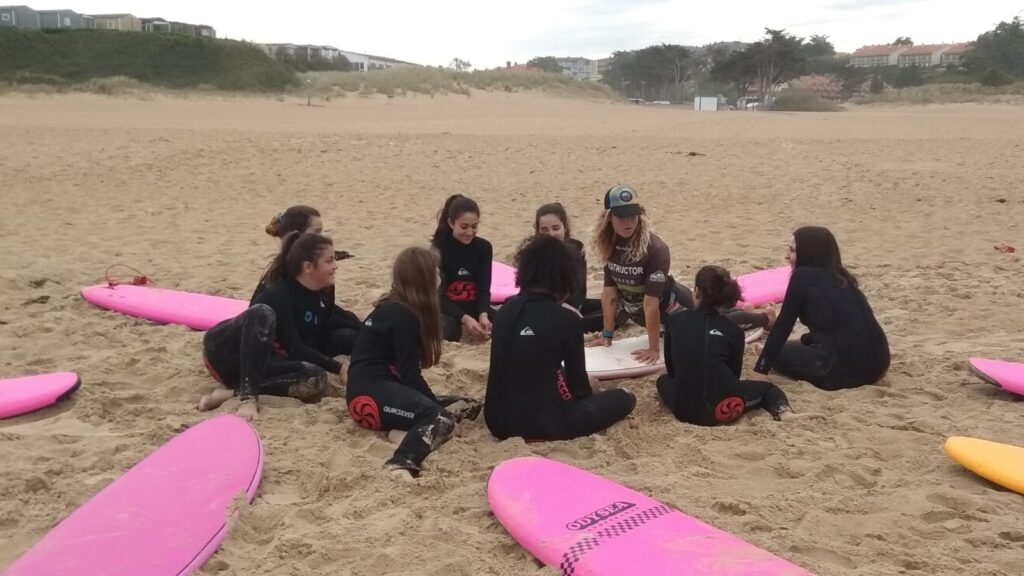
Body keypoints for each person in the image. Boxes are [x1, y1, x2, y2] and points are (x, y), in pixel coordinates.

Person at [346, 247, 481, 477]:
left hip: (380, 390)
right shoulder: (401, 314)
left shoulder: (401, 306)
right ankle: (402, 462)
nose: (439, 275)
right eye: (435, 271)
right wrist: (439, 413)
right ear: (424, 278)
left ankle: (402, 432)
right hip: (368, 400)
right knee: (440, 418)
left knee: (468, 405)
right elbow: (410, 374)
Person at [486, 235, 636, 441]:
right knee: (625, 397)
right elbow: (579, 389)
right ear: (567, 278)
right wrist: (590, 388)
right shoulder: (567, 319)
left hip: (497, 422)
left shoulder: (504, 312)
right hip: (546, 424)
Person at [199, 232, 348, 420]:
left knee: (315, 377)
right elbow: (295, 348)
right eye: (329, 261)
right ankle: (247, 398)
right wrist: (339, 367)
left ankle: (229, 394)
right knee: (263, 312)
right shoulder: (278, 293)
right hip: (225, 354)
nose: (335, 266)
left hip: (263, 361)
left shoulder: (325, 291)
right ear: (308, 267)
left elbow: (321, 336)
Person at [657, 266, 804, 426]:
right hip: (726, 406)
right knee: (768, 390)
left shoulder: (674, 321)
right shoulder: (734, 331)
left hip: (684, 410)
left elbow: (672, 370)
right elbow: (734, 373)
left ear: (697, 291)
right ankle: (783, 411)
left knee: (663, 380)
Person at [753, 226, 890, 391]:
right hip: (879, 365)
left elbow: (783, 326)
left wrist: (761, 369)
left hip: (845, 373)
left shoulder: (802, 276)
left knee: (781, 351)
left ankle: (768, 352)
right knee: (800, 342)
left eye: (793, 251)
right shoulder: (842, 277)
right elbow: (844, 324)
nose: (787, 256)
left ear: (808, 253)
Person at [587, 184, 696, 364]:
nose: (628, 223)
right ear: (609, 217)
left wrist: (653, 348)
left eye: (632, 216)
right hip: (640, 312)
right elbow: (609, 294)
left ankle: (748, 314)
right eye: (621, 217)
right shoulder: (608, 244)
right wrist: (607, 335)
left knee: (721, 318)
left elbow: (651, 303)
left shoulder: (655, 249)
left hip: (675, 308)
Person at [255, 206, 362, 354]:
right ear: (298, 236)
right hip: (293, 338)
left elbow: (323, 309)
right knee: (350, 336)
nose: (323, 236)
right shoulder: (284, 277)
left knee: (351, 321)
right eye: (317, 232)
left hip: (307, 325)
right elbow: (292, 341)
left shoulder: (314, 269)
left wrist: (361, 326)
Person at [432, 194, 495, 342]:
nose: (470, 232)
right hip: (448, 308)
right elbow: (438, 296)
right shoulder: (438, 249)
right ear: (451, 223)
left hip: (474, 304)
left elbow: (484, 288)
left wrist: (483, 314)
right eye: (464, 227)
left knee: (505, 323)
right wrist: (465, 318)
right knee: (450, 332)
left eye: (474, 226)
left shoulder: (484, 247)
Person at [534, 202, 604, 333]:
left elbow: (580, 289)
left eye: (556, 228)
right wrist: (562, 307)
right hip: (547, 307)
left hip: (574, 303)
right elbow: (534, 293)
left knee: (613, 309)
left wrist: (574, 309)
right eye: (544, 230)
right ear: (538, 231)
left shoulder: (577, 247)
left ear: (565, 227)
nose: (551, 234)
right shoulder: (532, 253)